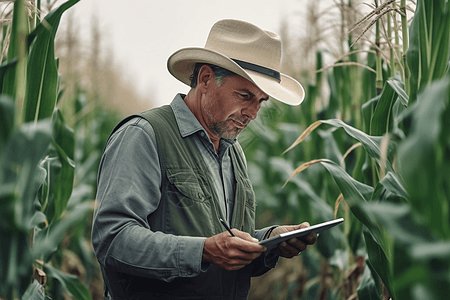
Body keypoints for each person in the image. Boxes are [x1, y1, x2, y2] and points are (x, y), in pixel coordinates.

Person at [92, 19, 317, 300]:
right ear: (206, 79)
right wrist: (202, 251)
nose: (252, 113)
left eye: (260, 101)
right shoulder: (145, 135)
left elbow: (222, 241)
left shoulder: (233, 153)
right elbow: (112, 238)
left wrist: (269, 241)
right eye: (244, 96)